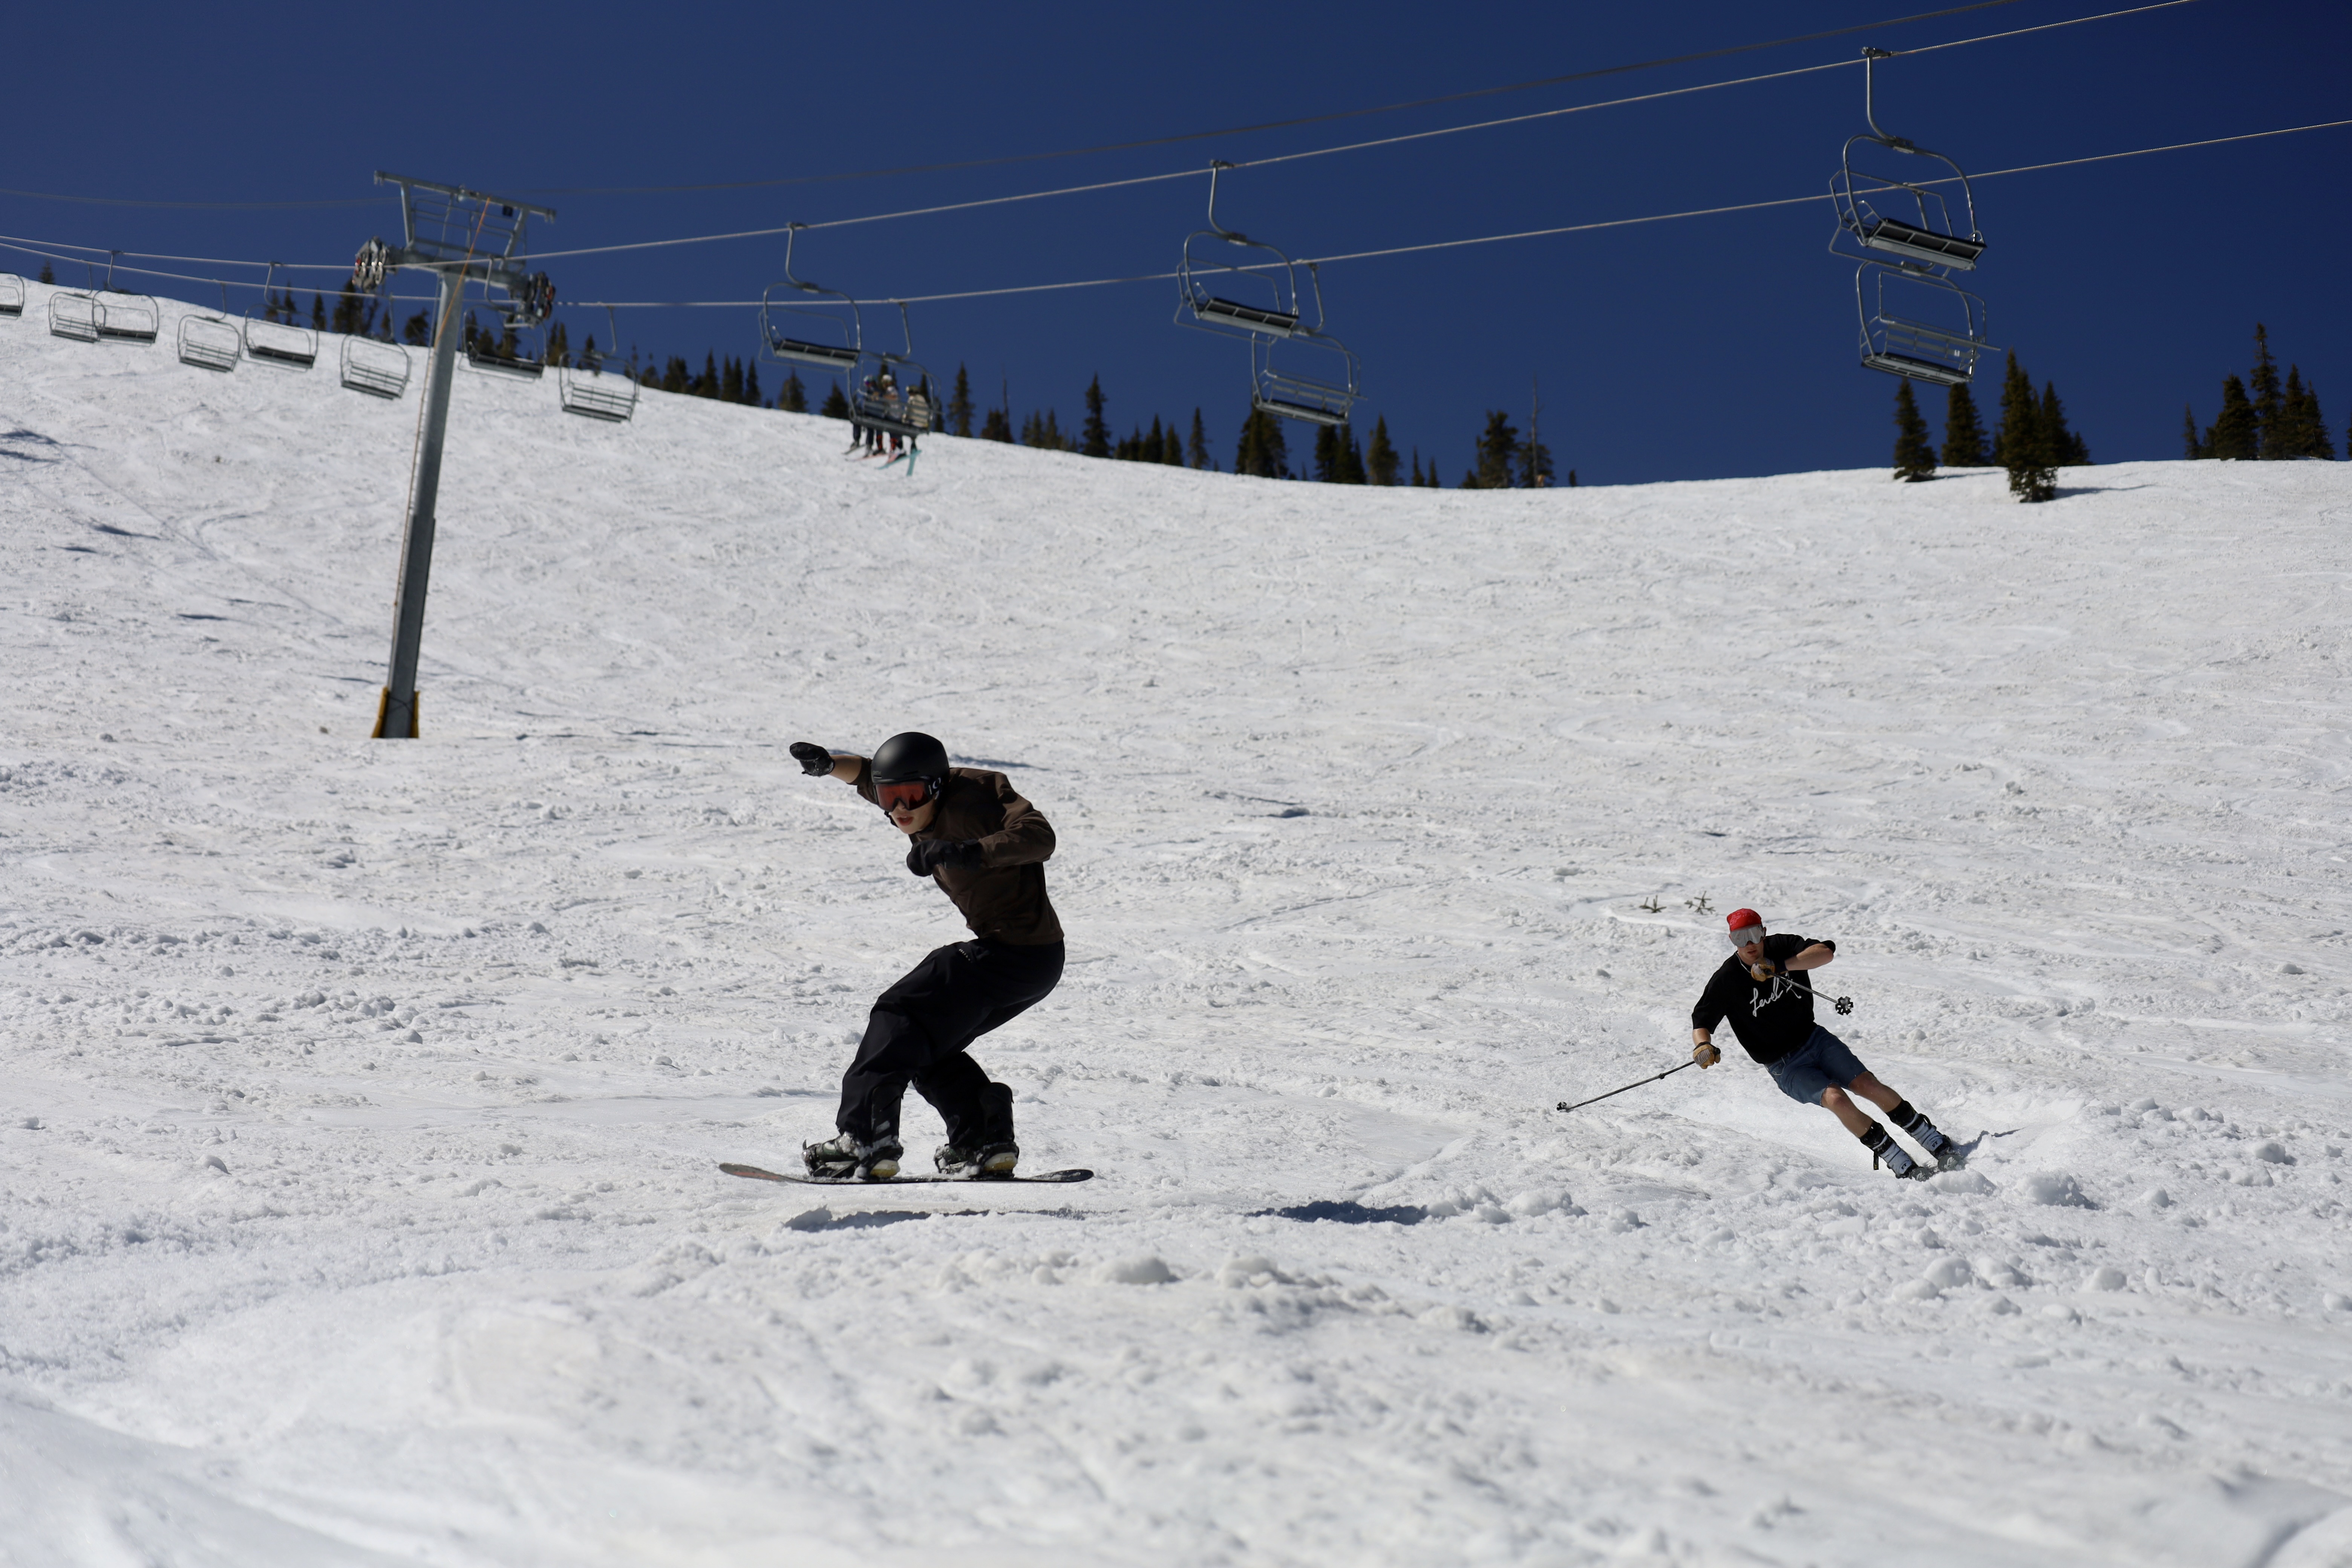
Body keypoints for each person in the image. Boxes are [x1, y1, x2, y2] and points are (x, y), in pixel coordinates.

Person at [785, 732, 1064, 1180]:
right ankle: (983, 1139)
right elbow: (867, 777)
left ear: (937, 785)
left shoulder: (977, 796)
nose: (900, 810)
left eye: (911, 795)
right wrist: (828, 765)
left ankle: (864, 1137)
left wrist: (970, 851)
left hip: (1014, 951)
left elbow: (1040, 836)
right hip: (1029, 961)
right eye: (890, 799)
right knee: (926, 1045)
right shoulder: (909, 801)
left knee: (901, 1013)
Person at [1690, 908, 1957, 1179]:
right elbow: (1702, 1020)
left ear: (1764, 933)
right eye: (1740, 938)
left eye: (1754, 935)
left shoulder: (1781, 946)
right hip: (1785, 1065)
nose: (1749, 944)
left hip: (1814, 1039)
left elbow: (1825, 952)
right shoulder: (1728, 978)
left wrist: (1779, 966)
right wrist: (1703, 1046)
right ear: (1731, 940)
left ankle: (1931, 1137)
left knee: (1867, 1084)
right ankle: (1894, 1157)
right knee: (1836, 1099)